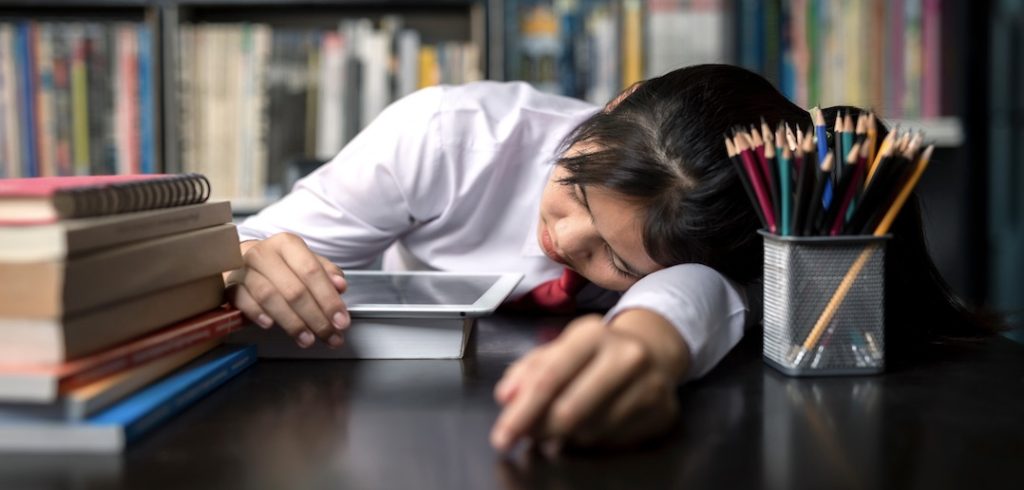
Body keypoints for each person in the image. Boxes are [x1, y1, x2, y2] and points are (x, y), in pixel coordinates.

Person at [226, 64, 997, 452]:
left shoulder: (706, 245)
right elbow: (259, 243)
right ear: (616, 104)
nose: (563, 242)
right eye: (577, 193)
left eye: (618, 266)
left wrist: (646, 342)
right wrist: (255, 260)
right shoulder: (448, 137)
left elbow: (692, 296)